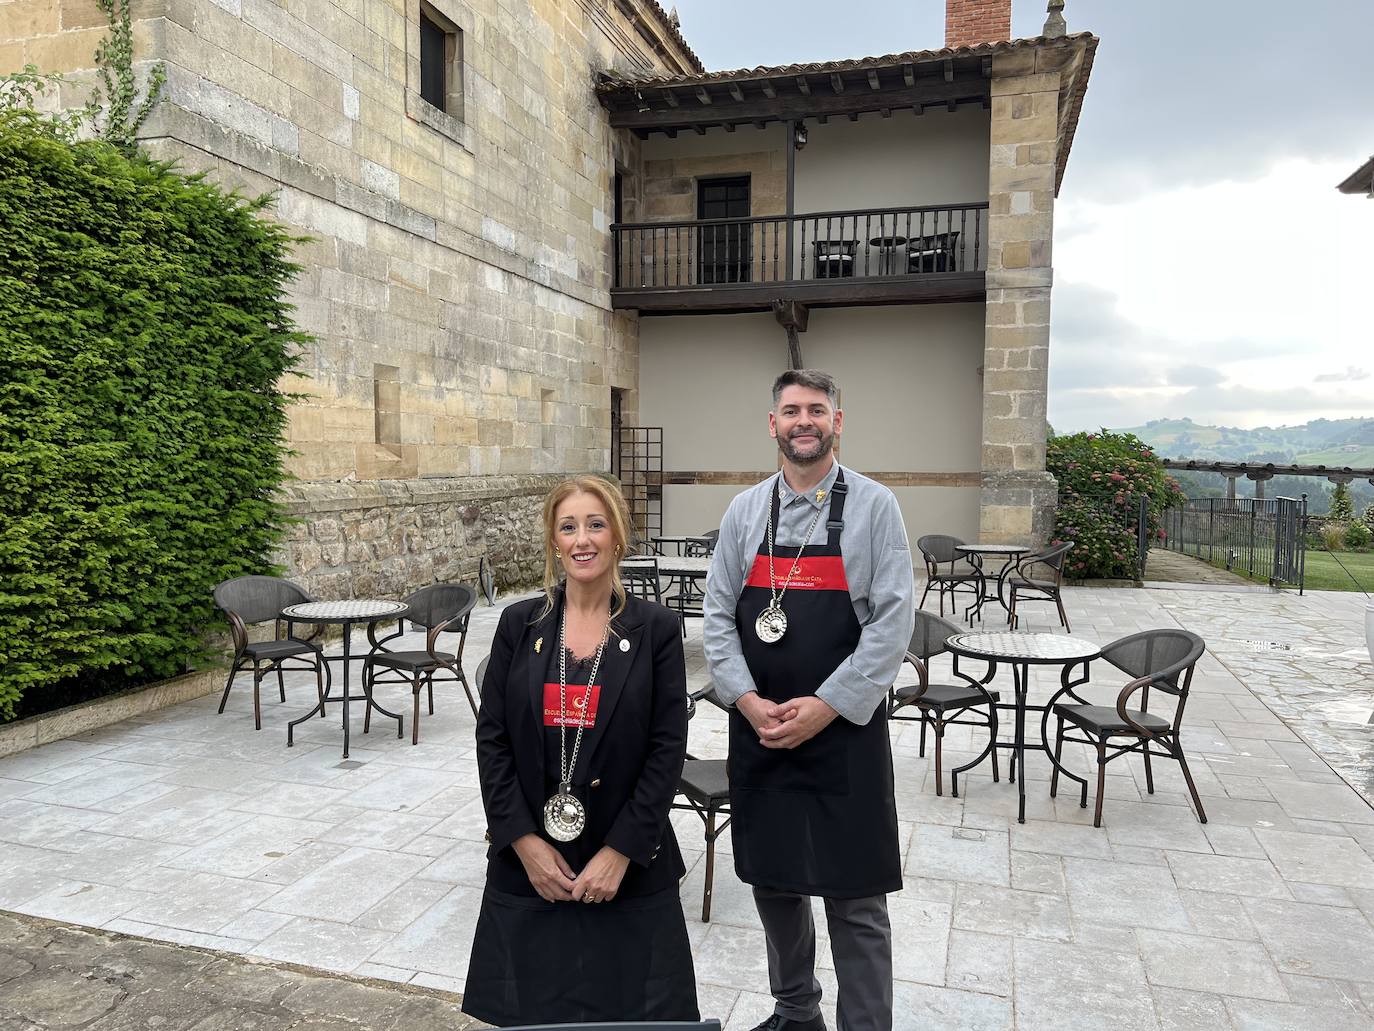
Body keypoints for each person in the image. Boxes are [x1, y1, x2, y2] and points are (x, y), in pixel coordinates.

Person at [703, 369, 916, 1031]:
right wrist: (744, 698)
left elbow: (892, 623)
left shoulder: (876, 507)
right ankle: (796, 1011)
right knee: (775, 882)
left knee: (856, 899)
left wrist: (826, 705)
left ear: (837, 422)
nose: (804, 421)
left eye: (816, 410)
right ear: (773, 423)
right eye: (791, 410)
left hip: (844, 738)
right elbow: (715, 616)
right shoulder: (744, 511)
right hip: (762, 733)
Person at [463, 475, 700, 1026]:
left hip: (626, 869)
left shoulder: (656, 629)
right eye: (568, 527)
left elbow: (668, 748)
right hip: (534, 867)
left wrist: (619, 852)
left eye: (596, 524)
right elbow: (491, 740)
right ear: (553, 540)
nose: (582, 539)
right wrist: (521, 842)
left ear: (618, 536)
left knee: (630, 1011)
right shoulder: (519, 625)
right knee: (533, 1011)